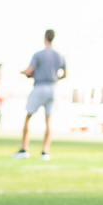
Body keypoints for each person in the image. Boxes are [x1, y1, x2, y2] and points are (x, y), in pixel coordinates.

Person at [15, 29, 66, 159]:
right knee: (48, 121)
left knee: (28, 117)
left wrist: (22, 72)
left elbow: (29, 71)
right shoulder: (59, 56)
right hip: (53, 88)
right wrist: (54, 78)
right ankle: (45, 151)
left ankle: (24, 149)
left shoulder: (38, 54)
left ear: (45, 38)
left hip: (40, 86)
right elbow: (64, 74)